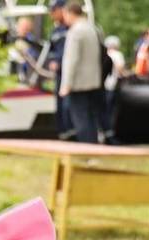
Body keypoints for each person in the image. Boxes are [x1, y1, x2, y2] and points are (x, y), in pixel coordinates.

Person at [58, 1, 103, 144]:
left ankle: (86, 150)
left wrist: (66, 84)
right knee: (91, 118)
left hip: (78, 83)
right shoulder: (93, 29)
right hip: (93, 81)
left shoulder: (75, 32)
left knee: (80, 119)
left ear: (71, 13)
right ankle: (93, 147)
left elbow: (71, 59)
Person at [44, 0, 73, 140]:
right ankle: (63, 137)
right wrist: (52, 61)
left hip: (71, 75)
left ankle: (73, 137)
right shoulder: (55, 31)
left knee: (69, 107)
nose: (51, 14)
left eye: (53, 10)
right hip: (59, 76)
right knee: (60, 107)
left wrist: (59, 61)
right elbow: (51, 51)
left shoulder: (72, 29)